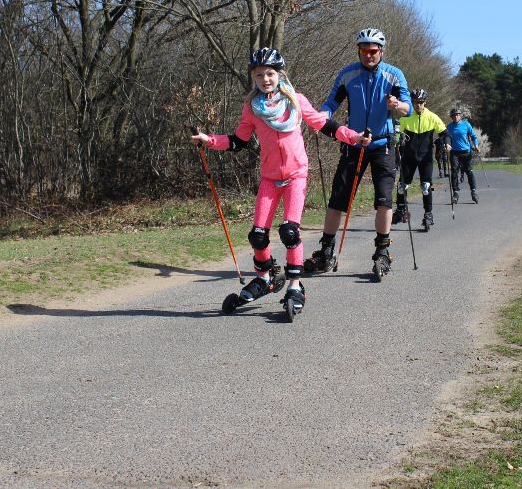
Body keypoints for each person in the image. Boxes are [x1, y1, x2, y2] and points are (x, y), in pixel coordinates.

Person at [191, 47, 366, 314]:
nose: (265, 79)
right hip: (270, 178)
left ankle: (295, 285)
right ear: (254, 77)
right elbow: (238, 141)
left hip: (296, 176)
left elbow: (324, 125)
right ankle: (266, 278)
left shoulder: (295, 100)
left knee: (290, 231)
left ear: (279, 74)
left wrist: (354, 137)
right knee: (257, 235)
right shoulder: (252, 108)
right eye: (259, 74)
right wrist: (209, 140)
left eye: (270, 73)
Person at [307, 28, 411, 278]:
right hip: (354, 144)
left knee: (384, 200)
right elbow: (331, 102)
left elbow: (408, 108)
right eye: (364, 50)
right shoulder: (348, 74)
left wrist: (396, 104)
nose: (368, 55)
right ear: (359, 51)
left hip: (383, 145)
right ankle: (326, 252)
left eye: (373, 50)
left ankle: (382, 252)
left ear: (381, 51)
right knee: (337, 200)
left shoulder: (394, 75)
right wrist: (321, 117)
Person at [393, 88, 450, 230]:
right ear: (412, 102)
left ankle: (428, 214)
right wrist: (397, 139)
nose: (418, 105)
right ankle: (400, 210)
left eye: (421, 102)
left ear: (425, 102)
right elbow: (397, 134)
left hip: (425, 158)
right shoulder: (406, 117)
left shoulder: (432, 117)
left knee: (426, 187)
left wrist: (446, 143)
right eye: (415, 102)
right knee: (401, 187)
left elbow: (444, 133)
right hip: (409, 157)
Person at [446, 108, 480, 204]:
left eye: (457, 115)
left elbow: (473, 136)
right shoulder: (449, 127)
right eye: (454, 115)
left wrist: (476, 145)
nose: (456, 117)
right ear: (451, 117)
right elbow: (446, 138)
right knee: (454, 172)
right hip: (454, 152)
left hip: (466, 152)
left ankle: (473, 192)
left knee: (469, 172)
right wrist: (445, 145)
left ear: (460, 116)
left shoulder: (466, 124)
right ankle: (455, 193)